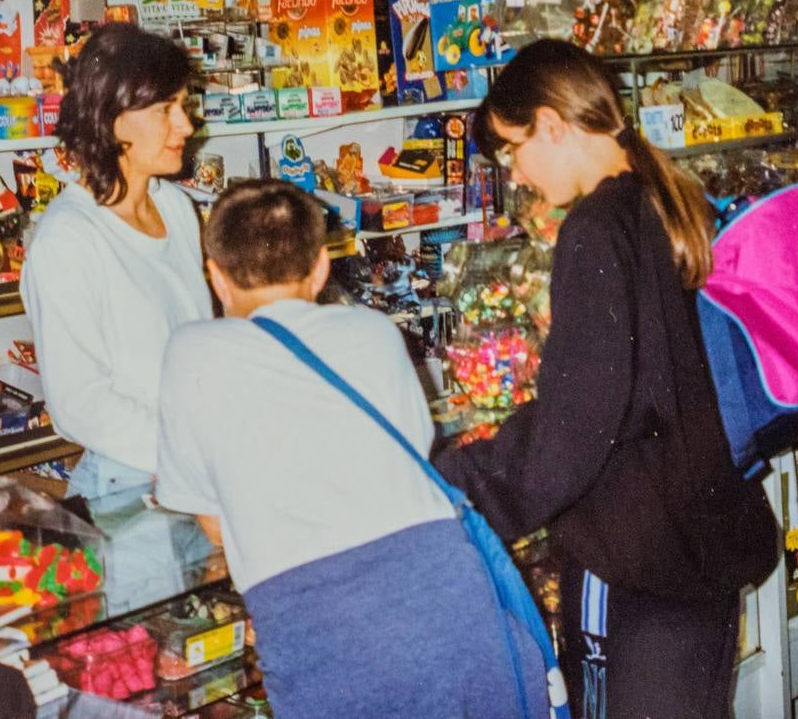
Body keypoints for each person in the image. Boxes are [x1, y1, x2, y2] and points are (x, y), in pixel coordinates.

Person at [434, 39, 778, 719]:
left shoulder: (594, 227)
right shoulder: (667, 196)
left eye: (513, 148)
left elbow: (579, 418)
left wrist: (457, 483)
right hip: (698, 534)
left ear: (552, 124)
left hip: (634, 552)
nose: (518, 173)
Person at [154, 179, 548, 719]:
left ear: (215, 276)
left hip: (317, 622)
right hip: (444, 593)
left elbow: (217, 526)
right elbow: (409, 457)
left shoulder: (190, 352)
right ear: (321, 267)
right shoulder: (373, 331)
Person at [20, 24, 214, 596]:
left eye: (184, 105)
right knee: (146, 661)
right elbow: (80, 405)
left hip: (192, 474)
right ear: (111, 119)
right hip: (129, 491)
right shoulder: (67, 241)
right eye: (167, 109)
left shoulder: (177, 209)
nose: (186, 124)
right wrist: (188, 452)